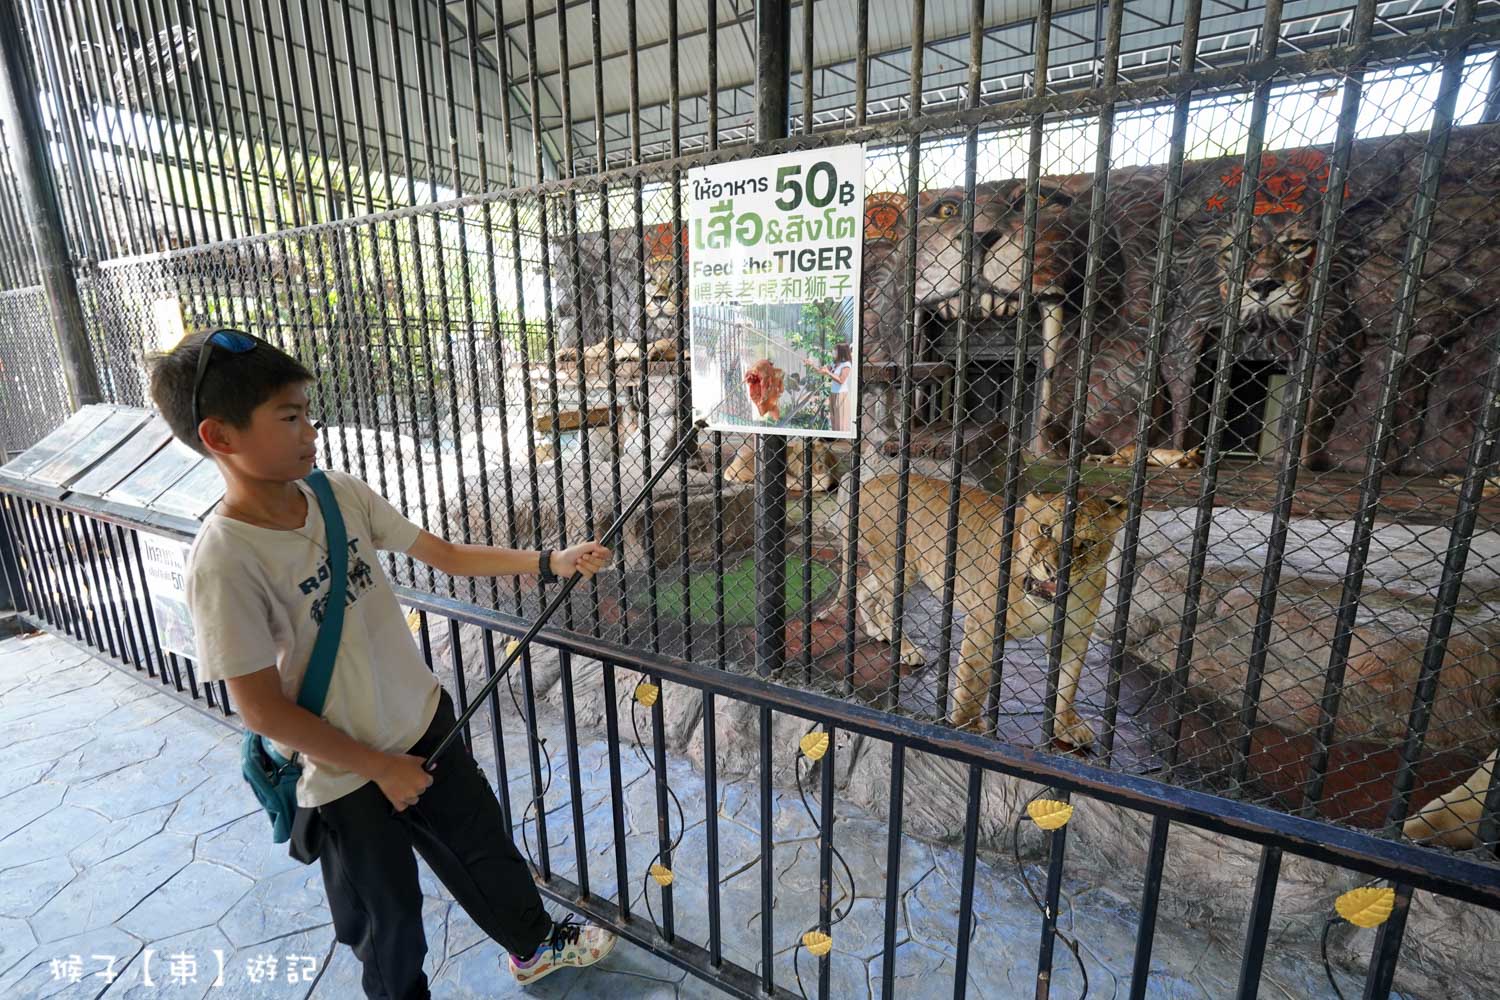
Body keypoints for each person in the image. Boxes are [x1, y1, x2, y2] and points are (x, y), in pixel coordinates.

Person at [148, 329, 616, 997]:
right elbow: (259, 707)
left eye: (307, 410)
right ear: (220, 437)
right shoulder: (224, 560)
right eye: (289, 416)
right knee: (387, 919)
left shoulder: (337, 494)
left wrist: (548, 562)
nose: (310, 428)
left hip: (424, 722)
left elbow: (445, 554)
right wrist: (376, 768)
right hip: (342, 774)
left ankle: (534, 946)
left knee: (483, 851)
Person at [811, 342, 854, 432]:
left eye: (835, 350)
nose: (833, 352)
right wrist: (811, 364)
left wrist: (828, 372)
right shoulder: (835, 363)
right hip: (833, 394)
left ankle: (842, 440)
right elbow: (821, 371)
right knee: (834, 419)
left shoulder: (846, 365)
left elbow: (841, 380)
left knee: (841, 421)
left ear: (841, 352)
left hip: (841, 395)